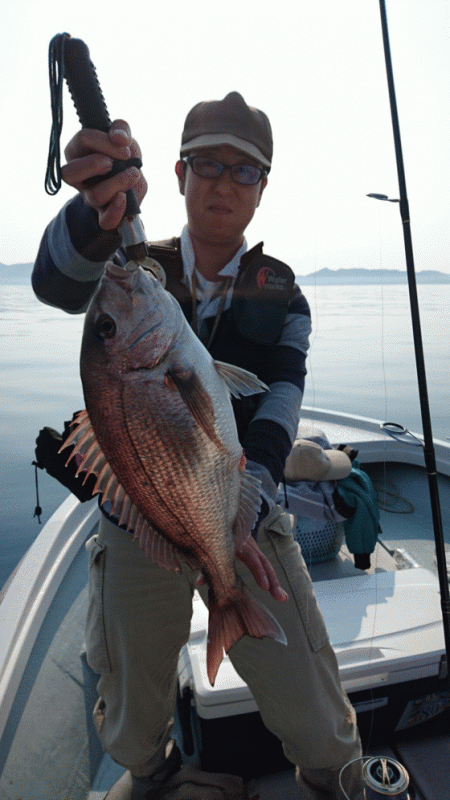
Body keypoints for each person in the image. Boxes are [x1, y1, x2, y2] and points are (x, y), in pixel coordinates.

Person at [32, 92, 363, 800]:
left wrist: (248, 509)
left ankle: (334, 775)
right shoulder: (128, 265)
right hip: (138, 515)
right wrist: (96, 212)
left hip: (245, 500)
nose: (223, 182)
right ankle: (153, 773)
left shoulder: (285, 298)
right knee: (130, 699)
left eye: (244, 171)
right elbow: (55, 281)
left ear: (263, 189)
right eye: (208, 164)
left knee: (310, 693)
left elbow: (280, 403)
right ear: (178, 174)